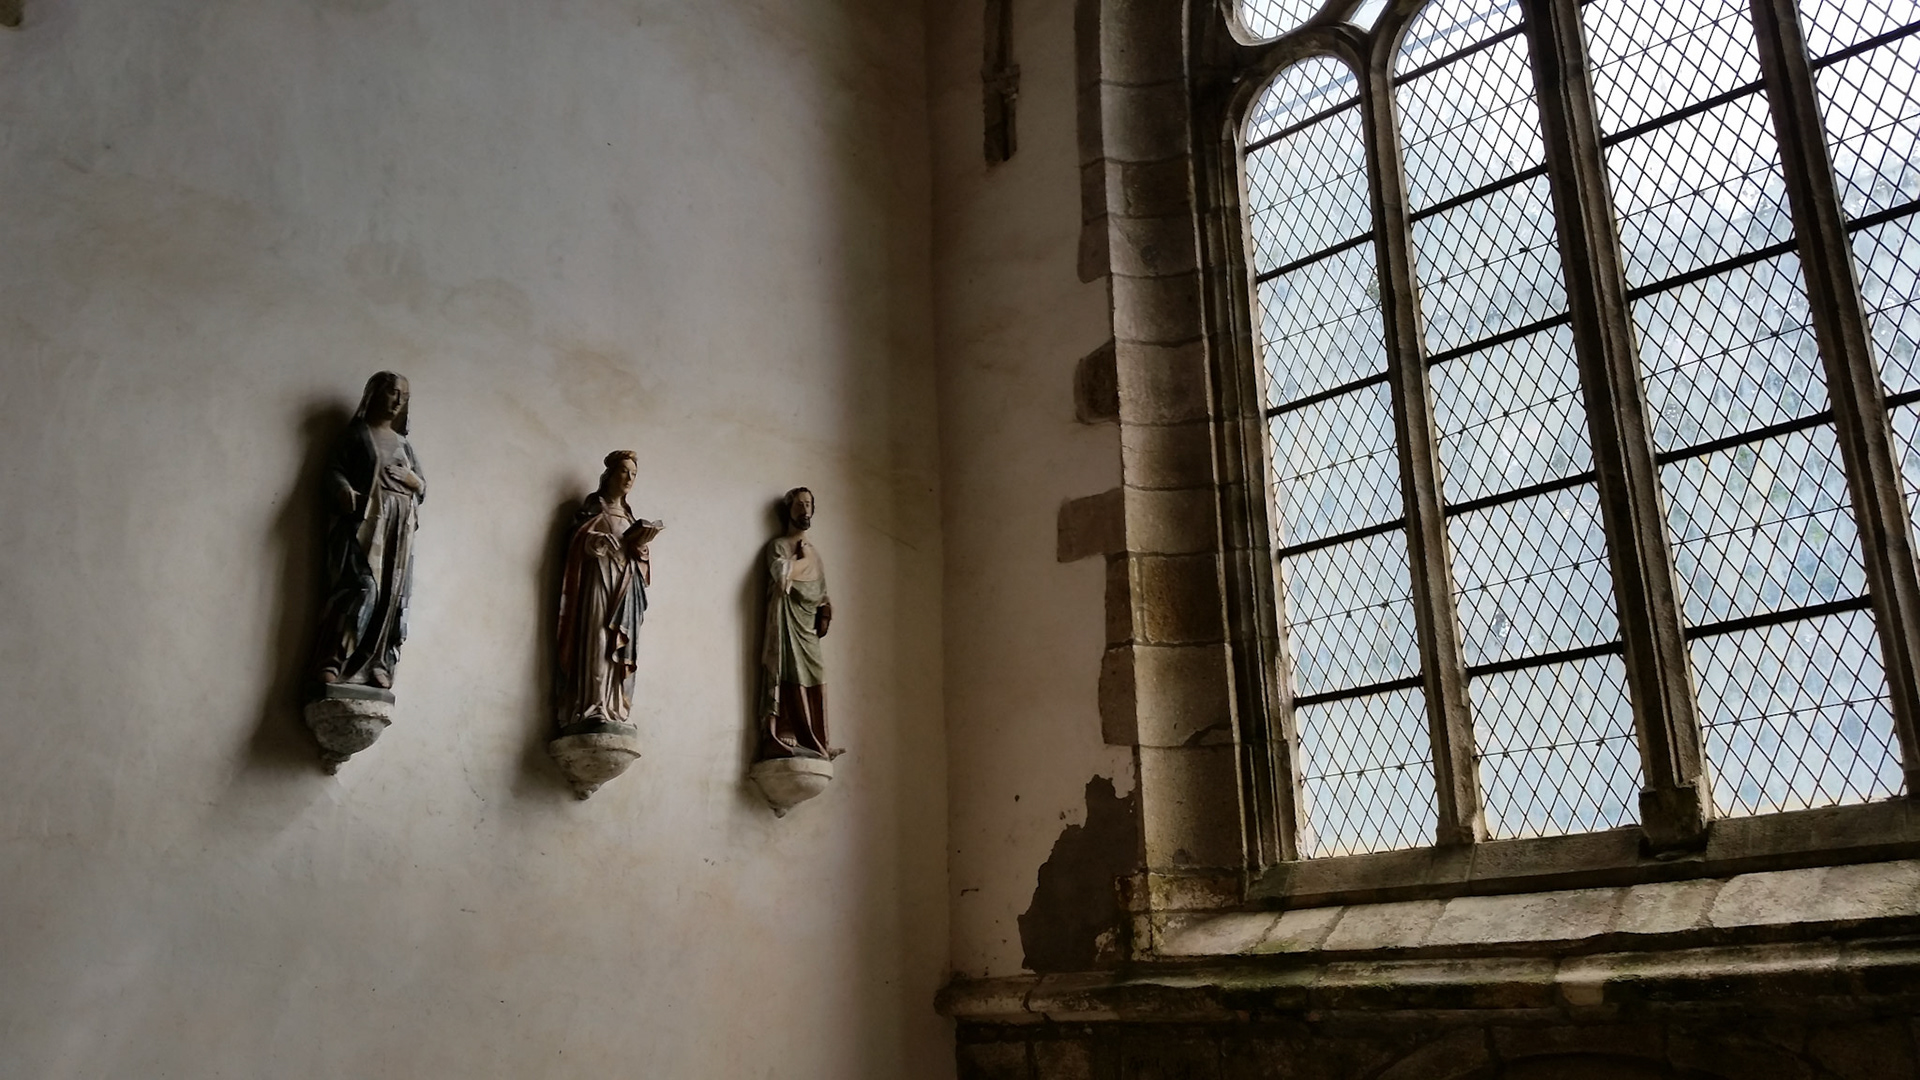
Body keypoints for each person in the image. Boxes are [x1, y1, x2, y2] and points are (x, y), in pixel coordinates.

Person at [315, 372, 425, 690]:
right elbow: (334, 471)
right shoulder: (357, 435)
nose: (397, 401)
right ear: (374, 394)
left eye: (404, 396)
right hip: (366, 524)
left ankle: (376, 659)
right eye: (392, 393)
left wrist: (413, 481)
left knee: (392, 595)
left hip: (399, 529)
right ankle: (333, 660)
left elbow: (422, 486)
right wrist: (344, 491)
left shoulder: (405, 445)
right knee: (363, 588)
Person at [555, 451, 661, 732]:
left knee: (618, 640)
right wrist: (595, 540)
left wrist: (641, 545)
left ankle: (613, 706)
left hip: (625, 583)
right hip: (598, 578)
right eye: (624, 471)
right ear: (610, 475)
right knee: (597, 636)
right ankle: (591, 704)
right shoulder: (593, 507)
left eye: (634, 474)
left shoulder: (628, 514)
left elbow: (638, 558)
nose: (629, 478)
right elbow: (575, 542)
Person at [758, 487, 838, 760]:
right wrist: (801, 560)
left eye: (808, 505)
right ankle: (786, 732)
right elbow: (781, 575)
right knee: (789, 671)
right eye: (799, 505)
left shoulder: (813, 553)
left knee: (816, 673)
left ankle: (819, 742)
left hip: (808, 626)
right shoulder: (779, 546)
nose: (804, 510)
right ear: (789, 510)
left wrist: (825, 610)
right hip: (786, 621)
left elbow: (822, 590)